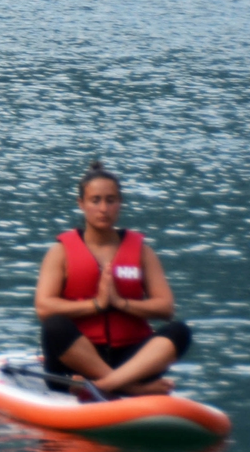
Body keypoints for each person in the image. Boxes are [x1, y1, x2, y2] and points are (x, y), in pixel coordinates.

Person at [34, 161, 192, 396]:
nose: (103, 208)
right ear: (81, 204)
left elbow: (165, 307)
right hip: (77, 362)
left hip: (130, 361)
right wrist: (96, 305)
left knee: (180, 331)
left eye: (111, 200)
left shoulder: (142, 252)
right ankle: (132, 389)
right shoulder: (60, 252)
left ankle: (107, 385)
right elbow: (44, 307)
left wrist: (120, 303)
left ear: (120, 203)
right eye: (95, 200)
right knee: (54, 326)